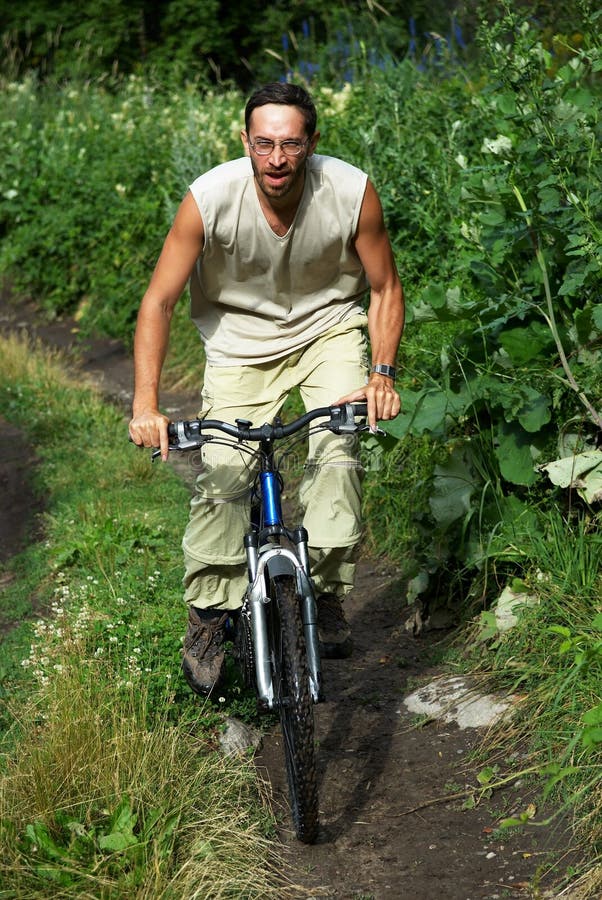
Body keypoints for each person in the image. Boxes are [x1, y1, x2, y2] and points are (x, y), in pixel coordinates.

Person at [128, 82, 404, 695]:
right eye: (263, 144)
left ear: (311, 143)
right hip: (237, 345)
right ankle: (208, 613)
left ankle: (326, 593)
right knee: (224, 474)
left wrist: (380, 374)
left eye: (290, 144)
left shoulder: (351, 192)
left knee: (338, 453)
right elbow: (160, 300)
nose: (276, 158)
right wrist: (146, 404)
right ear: (246, 141)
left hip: (328, 332)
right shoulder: (209, 198)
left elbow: (384, 287)